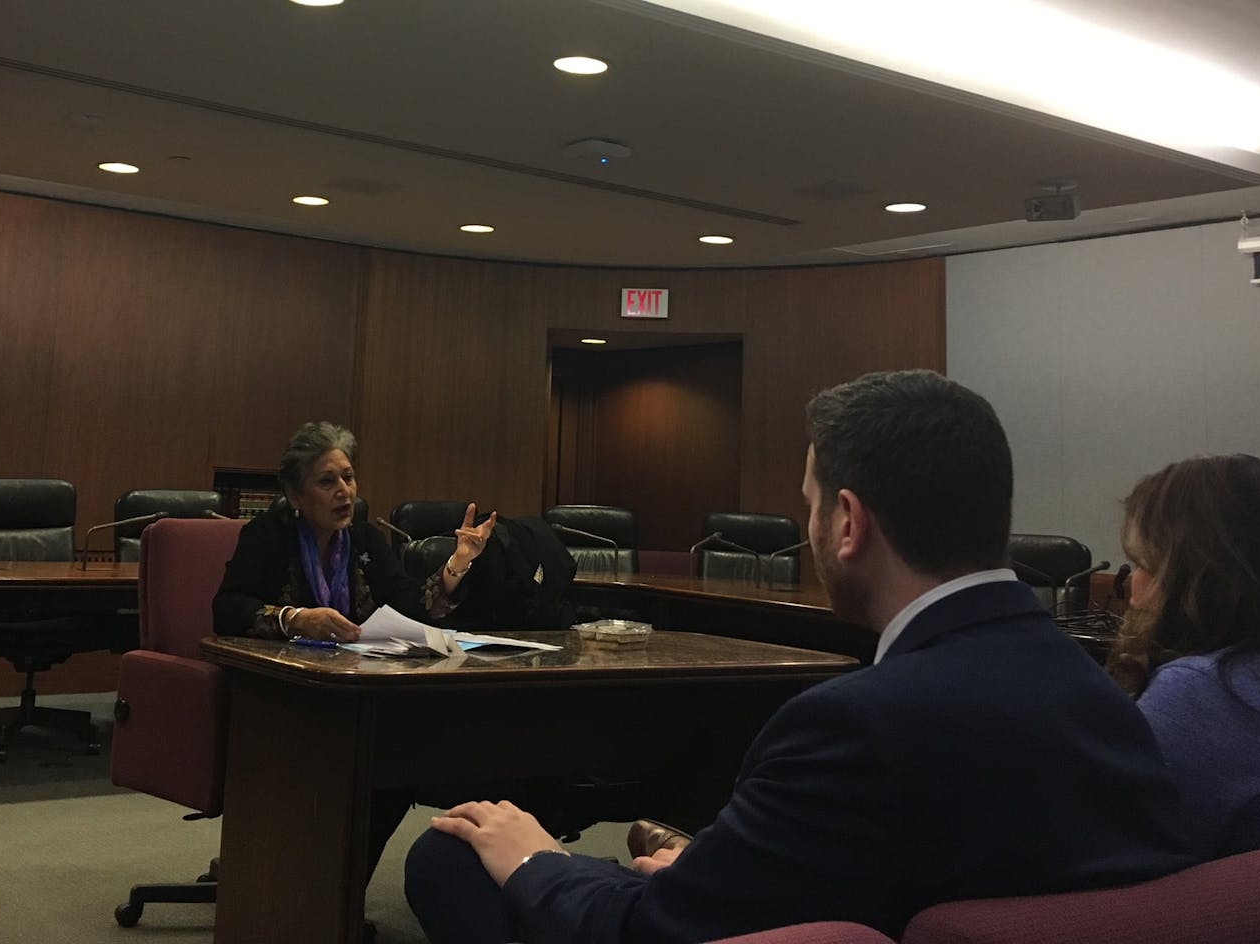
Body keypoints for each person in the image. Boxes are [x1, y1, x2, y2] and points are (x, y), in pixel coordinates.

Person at [403, 369, 1195, 944]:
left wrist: (539, 857)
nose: (810, 525)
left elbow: (654, 933)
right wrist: (710, 871)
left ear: (848, 523)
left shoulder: (851, 723)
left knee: (454, 856)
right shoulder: (1100, 697)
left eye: (811, 504)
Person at [213, 420, 498, 883]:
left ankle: (339, 888)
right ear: (295, 495)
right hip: (283, 695)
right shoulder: (266, 537)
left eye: (348, 477)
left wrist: (456, 562)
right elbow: (227, 609)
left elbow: (412, 604)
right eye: (327, 482)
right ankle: (307, 888)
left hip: (358, 693)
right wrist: (297, 618)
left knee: (394, 768)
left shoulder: (363, 540)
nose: (344, 491)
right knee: (355, 763)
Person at [1107, 453, 1260, 858]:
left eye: (1143, 566)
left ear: (1200, 579)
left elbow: (1114, 857)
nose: (1133, 593)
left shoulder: (1204, 691)